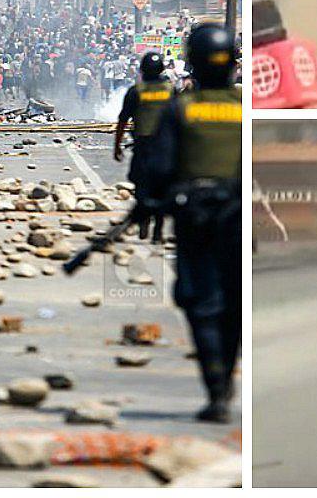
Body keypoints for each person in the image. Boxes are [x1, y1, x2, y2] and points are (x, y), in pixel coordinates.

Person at [139, 23, 242, 423]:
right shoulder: (245, 108)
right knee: (233, 302)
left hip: (195, 220)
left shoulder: (180, 109)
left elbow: (159, 168)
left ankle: (216, 390)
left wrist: (152, 201)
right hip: (237, 219)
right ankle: (225, 378)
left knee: (201, 302)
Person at [114, 51, 174, 243]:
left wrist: (117, 145)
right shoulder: (171, 90)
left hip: (143, 145)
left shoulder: (136, 91)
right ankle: (158, 230)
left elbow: (123, 120)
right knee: (162, 187)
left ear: (142, 71)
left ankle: (144, 220)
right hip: (165, 147)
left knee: (141, 184)